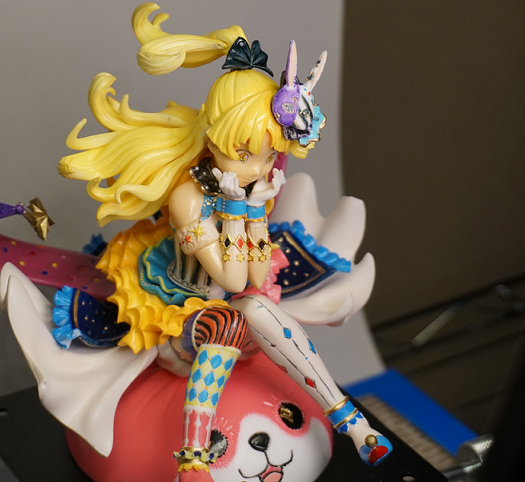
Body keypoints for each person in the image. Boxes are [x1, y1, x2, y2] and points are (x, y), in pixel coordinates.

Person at [50, 3, 391, 480]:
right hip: (177, 323)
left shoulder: (248, 187)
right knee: (226, 322)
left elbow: (255, 277)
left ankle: (349, 421)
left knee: (254, 308)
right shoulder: (189, 198)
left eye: (267, 156)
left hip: (244, 309)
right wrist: (240, 210)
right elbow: (230, 277)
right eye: (245, 154)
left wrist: (254, 211)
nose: (258, 169)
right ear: (215, 139)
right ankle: (193, 457)